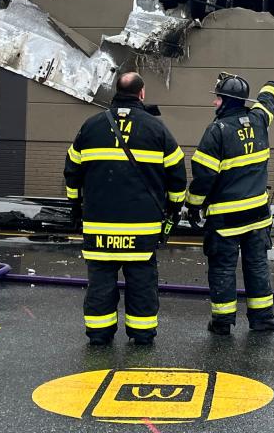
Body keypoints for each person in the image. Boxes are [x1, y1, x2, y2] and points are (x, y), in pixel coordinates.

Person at [63, 72, 187, 345]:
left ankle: (99, 333)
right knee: (141, 281)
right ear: (141, 94)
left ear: (114, 92)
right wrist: (175, 208)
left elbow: (71, 172)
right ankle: (142, 334)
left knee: (100, 282)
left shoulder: (91, 126)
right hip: (142, 227)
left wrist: (75, 206)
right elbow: (178, 175)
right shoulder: (157, 130)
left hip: (98, 225)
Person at [185, 73, 274, 335]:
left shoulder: (217, 131)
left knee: (223, 268)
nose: (214, 103)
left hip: (226, 220)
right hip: (258, 216)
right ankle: (262, 318)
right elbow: (267, 101)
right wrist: (273, 85)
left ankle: (222, 322)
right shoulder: (259, 120)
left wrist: (192, 205)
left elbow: (204, 177)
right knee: (257, 266)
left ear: (227, 100)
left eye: (218, 98)